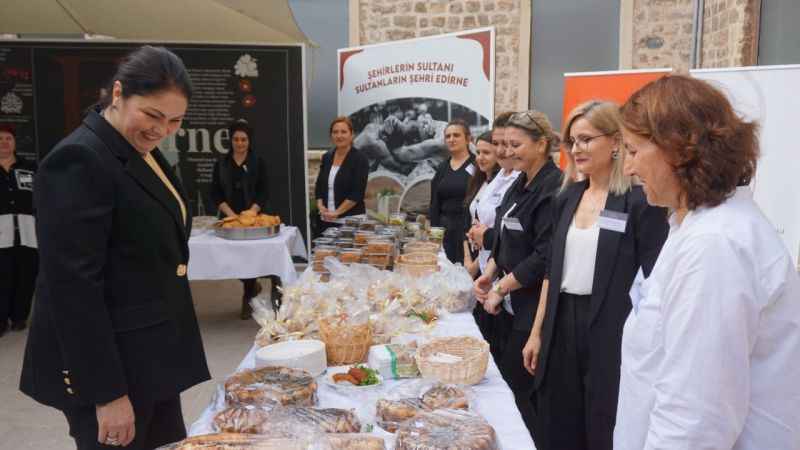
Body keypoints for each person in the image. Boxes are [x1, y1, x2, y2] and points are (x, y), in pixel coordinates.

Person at [20, 45, 210, 449]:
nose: (161, 129)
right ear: (119, 93)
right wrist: (106, 394)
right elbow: (72, 289)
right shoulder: (79, 159)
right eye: (153, 115)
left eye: (175, 120)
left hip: (150, 355)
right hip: (112, 369)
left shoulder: (136, 150)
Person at [613, 75, 800, 449]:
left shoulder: (715, 244)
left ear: (680, 150)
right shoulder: (694, 227)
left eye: (634, 151)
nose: (629, 168)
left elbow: (695, 418)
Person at [521, 101, 668, 450]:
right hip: (561, 325)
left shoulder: (638, 202)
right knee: (557, 421)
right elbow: (550, 272)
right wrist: (537, 331)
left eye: (586, 139)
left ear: (616, 142)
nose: (576, 149)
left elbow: (655, 282)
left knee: (603, 423)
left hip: (611, 330)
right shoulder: (567, 196)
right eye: (572, 141)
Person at [473, 110, 562, 438]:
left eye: (516, 144)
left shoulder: (553, 188)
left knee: (519, 392)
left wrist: (502, 287)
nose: (507, 151)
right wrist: (490, 273)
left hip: (532, 305)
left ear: (541, 144)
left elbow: (543, 255)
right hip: (509, 300)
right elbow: (506, 235)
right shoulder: (520, 183)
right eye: (504, 144)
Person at [211, 119, 269, 319]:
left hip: (253, 218)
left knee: (249, 257)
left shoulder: (257, 162)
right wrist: (232, 216)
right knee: (231, 259)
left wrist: (250, 214)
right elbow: (215, 193)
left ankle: (249, 293)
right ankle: (251, 286)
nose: (240, 143)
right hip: (229, 218)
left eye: (243, 139)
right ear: (231, 141)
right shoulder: (221, 163)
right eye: (236, 139)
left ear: (249, 141)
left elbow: (263, 192)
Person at [0, 125, 38, 336]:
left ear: (14, 142)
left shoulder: (31, 167)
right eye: (0, 139)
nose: (4, 142)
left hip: (28, 232)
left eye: (8, 138)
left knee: (26, 275)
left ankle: (19, 317)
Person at [429, 119, 476, 264]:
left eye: (456, 135)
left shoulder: (476, 166)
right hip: (444, 234)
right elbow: (434, 203)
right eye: (448, 136)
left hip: (468, 234)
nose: (451, 139)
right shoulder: (442, 168)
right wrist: (434, 233)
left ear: (468, 139)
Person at [314, 117, 369, 234]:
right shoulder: (327, 157)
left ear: (351, 135)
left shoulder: (360, 159)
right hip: (326, 220)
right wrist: (320, 207)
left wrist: (337, 212)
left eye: (343, 132)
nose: (339, 136)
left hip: (350, 221)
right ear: (331, 135)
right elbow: (319, 186)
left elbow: (357, 193)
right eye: (335, 132)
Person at [462, 131, 500, 279]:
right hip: (471, 257)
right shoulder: (477, 182)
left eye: (486, 153)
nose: (480, 158)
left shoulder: (502, 186)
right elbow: (466, 222)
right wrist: (467, 258)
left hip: (490, 262)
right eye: (478, 152)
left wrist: (475, 265)